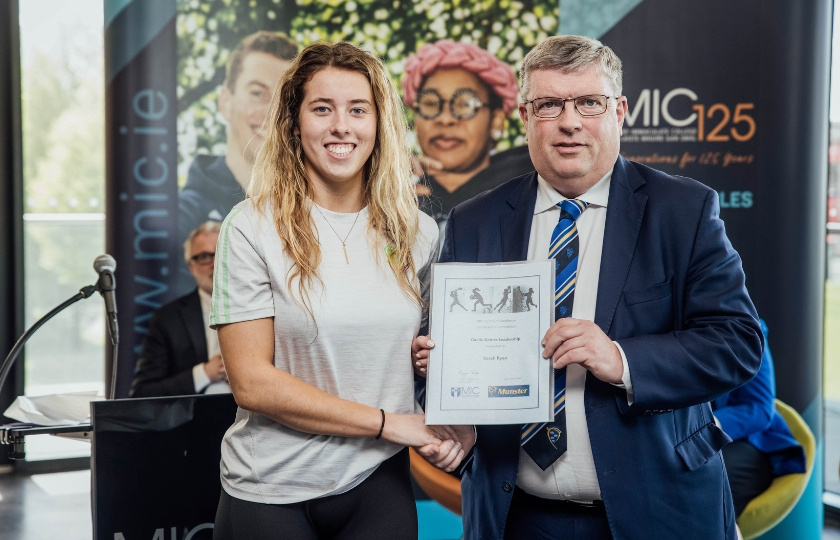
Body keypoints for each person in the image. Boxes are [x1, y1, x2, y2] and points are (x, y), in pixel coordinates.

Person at [412, 35, 762, 539]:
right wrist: (438, 384)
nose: (570, 121)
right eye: (549, 104)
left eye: (588, 103)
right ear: (525, 117)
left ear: (618, 111)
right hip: (513, 515)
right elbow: (434, 357)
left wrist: (620, 359)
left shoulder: (682, 212)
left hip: (657, 510)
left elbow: (737, 343)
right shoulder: (473, 221)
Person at [208, 42, 473, 539]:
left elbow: (434, 352)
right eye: (322, 109)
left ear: (380, 123)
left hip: (377, 483)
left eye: (358, 110)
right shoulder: (249, 228)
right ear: (293, 123)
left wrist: (444, 387)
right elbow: (251, 382)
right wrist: (389, 423)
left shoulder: (417, 232)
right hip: (270, 491)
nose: (341, 127)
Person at [177, 31, 298, 294]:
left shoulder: (308, 209)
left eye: (284, 99)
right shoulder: (182, 219)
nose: (271, 112)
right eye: (257, 93)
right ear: (225, 102)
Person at [402, 40, 534, 240]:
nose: (445, 119)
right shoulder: (398, 194)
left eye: (465, 104)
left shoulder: (533, 178)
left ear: (496, 121)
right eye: (430, 104)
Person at [713, 319, 807, 518]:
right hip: (673, 437)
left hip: (748, 439)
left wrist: (705, 424)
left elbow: (759, 408)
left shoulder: (745, 325)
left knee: (709, 481)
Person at [129, 221, 230, 397]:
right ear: (191, 266)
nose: (215, 263)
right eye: (205, 256)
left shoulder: (267, 306)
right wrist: (205, 373)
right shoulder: (168, 318)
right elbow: (143, 392)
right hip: (198, 419)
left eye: (222, 253)